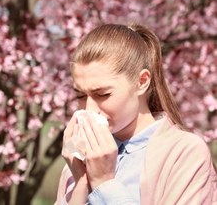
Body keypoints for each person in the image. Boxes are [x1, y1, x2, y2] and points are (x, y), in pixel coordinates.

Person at [55, 23, 217, 205]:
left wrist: (104, 183)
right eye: (80, 95)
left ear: (142, 82)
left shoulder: (184, 153)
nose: (89, 109)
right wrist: (81, 182)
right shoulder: (77, 162)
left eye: (103, 94)